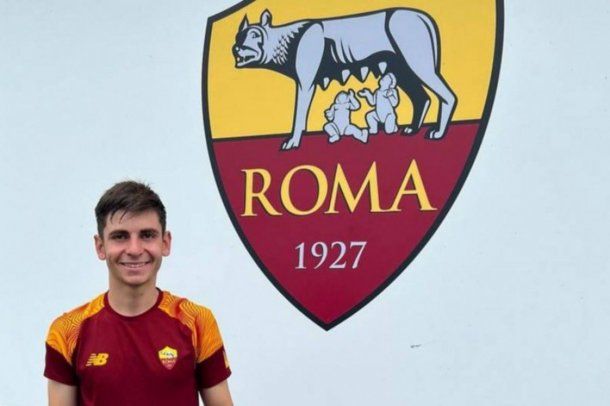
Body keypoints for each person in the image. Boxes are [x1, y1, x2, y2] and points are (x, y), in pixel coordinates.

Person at [44, 181, 233, 405]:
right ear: (100, 246)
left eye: (147, 235)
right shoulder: (66, 331)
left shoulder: (198, 321)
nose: (134, 249)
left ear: (165, 243)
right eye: (120, 236)